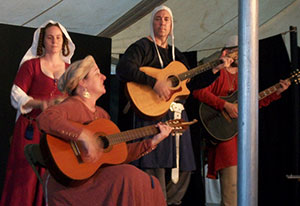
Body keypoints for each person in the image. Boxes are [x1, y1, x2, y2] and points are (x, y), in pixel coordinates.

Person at [116, 5, 232, 205]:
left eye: (166, 20)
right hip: (150, 113)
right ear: (152, 23)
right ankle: (155, 200)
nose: (162, 23)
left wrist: (215, 70)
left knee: (183, 166)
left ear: (171, 26)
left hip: (176, 115)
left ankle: (169, 202)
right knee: (154, 164)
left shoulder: (176, 54)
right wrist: (154, 82)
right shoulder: (142, 47)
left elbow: (191, 84)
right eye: (158, 19)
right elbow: (124, 68)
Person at [36, 55, 173, 206]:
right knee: (129, 175)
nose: (104, 77)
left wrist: (152, 142)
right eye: (97, 73)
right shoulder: (72, 105)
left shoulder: (102, 115)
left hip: (98, 179)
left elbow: (119, 154)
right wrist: (83, 136)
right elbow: (45, 118)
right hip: (73, 186)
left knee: (150, 182)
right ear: (83, 82)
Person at [192, 35, 291, 206]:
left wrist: (276, 92)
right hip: (223, 136)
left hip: (241, 136)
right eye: (238, 52)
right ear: (227, 52)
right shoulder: (217, 72)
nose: (242, 55)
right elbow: (198, 92)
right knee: (231, 192)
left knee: (244, 190)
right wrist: (224, 105)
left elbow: (253, 105)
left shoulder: (246, 77)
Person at [0, 20, 75, 206]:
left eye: (58, 37)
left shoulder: (68, 71)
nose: (54, 41)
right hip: (30, 128)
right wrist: (41, 104)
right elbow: (16, 94)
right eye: (50, 37)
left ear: (64, 42)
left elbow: (74, 99)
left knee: (53, 175)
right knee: (24, 175)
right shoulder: (31, 66)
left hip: (56, 132)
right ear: (43, 41)